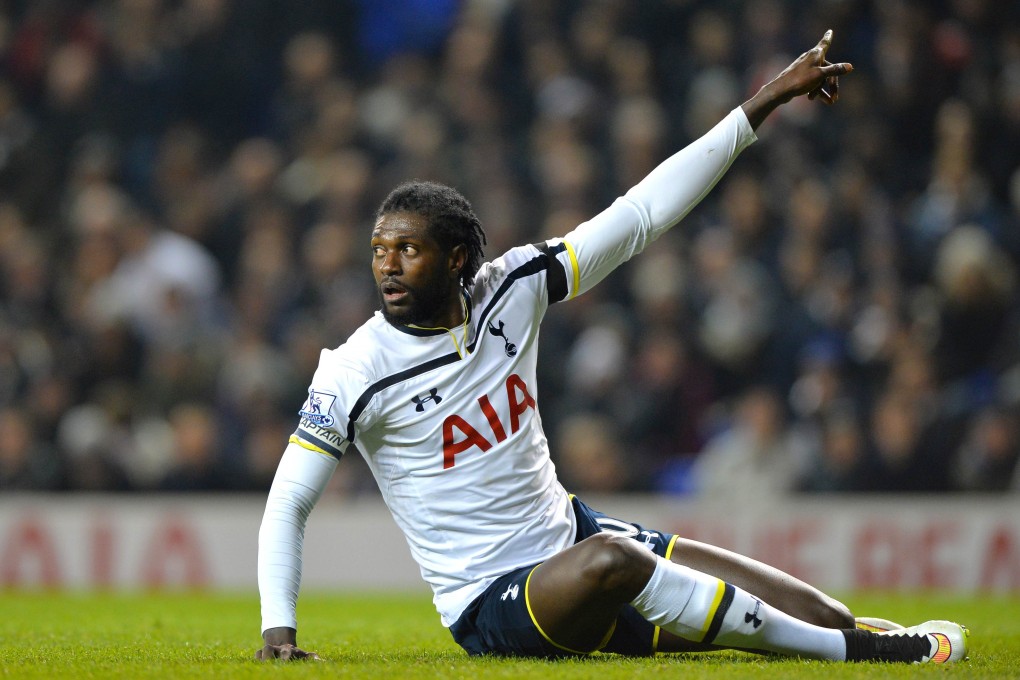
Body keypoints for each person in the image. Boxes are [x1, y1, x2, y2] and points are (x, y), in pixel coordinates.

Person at [255, 32, 969, 664]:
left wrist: (763, 105)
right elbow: (289, 501)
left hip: (575, 536)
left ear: (455, 260)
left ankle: (834, 633)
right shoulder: (355, 370)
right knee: (614, 562)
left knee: (813, 607)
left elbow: (641, 215)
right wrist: (277, 633)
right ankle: (862, 652)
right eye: (379, 250)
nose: (386, 265)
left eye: (407, 250)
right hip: (494, 599)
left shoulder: (516, 286)